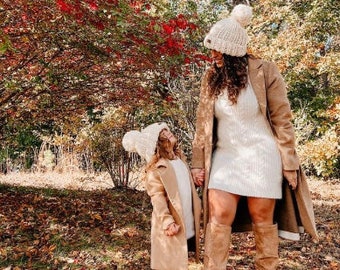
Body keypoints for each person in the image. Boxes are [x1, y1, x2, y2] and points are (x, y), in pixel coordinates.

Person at [190, 4, 318, 270]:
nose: (212, 54)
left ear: (232, 50)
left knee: (262, 219)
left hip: (262, 156)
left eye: (217, 49)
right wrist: (198, 163)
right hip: (225, 157)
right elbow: (202, 124)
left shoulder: (265, 72)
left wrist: (290, 162)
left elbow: (282, 120)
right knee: (218, 216)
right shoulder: (211, 77)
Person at [122, 122, 201, 270]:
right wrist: (167, 221)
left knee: (181, 258)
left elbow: (183, 185)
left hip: (186, 219)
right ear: (157, 144)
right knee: (171, 262)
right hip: (172, 222)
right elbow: (157, 197)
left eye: (167, 130)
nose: (168, 133)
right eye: (162, 134)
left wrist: (195, 178)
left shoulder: (179, 160)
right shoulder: (156, 169)